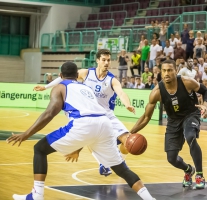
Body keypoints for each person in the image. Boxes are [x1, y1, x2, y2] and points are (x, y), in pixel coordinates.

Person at [9, 62, 155, 200]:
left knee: (39, 149)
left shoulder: (60, 87)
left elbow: (49, 114)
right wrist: (77, 148)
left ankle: (36, 195)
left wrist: (26, 134)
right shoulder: (85, 88)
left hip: (83, 124)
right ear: (76, 74)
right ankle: (149, 198)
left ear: (60, 75)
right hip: (105, 125)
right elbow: (92, 124)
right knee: (121, 169)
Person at [33, 49, 135, 177]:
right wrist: (45, 87)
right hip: (88, 114)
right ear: (97, 60)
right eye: (103, 60)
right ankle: (103, 162)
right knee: (91, 137)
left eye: (108, 60)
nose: (106, 62)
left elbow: (121, 93)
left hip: (107, 115)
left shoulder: (112, 80)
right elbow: (62, 77)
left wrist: (127, 104)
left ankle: (118, 159)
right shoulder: (86, 73)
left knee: (128, 141)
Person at [130, 59, 207, 190]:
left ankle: (200, 175)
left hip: (190, 114)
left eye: (169, 70)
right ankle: (189, 170)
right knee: (171, 158)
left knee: (190, 136)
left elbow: (205, 91)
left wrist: (205, 106)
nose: (166, 73)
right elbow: (145, 117)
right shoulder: (157, 92)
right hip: (173, 120)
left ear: (176, 71)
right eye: (164, 71)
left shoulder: (187, 82)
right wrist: (130, 133)